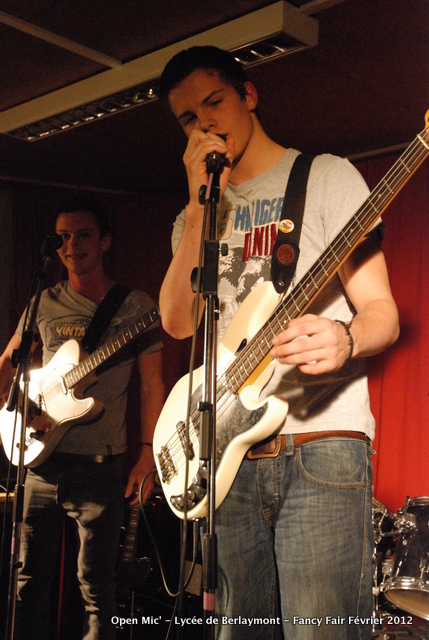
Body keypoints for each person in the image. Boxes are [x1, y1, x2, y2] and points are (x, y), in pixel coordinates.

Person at [157, 46, 399, 640]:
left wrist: (346, 337)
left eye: (214, 102)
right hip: (225, 455)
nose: (205, 124)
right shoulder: (194, 216)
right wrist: (198, 208)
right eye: (188, 118)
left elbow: (383, 313)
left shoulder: (326, 177)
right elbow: (177, 322)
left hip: (319, 445)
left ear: (249, 95)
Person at [0, 194, 165, 640]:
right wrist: (20, 408)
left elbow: (152, 385)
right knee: (26, 583)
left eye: (84, 235)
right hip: (38, 466)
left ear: (106, 241)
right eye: (63, 237)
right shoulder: (44, 302)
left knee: (97, 591)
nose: (72, 246)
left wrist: (147, 454)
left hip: (99, 468)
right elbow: (9, 366)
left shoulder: (136, 307)